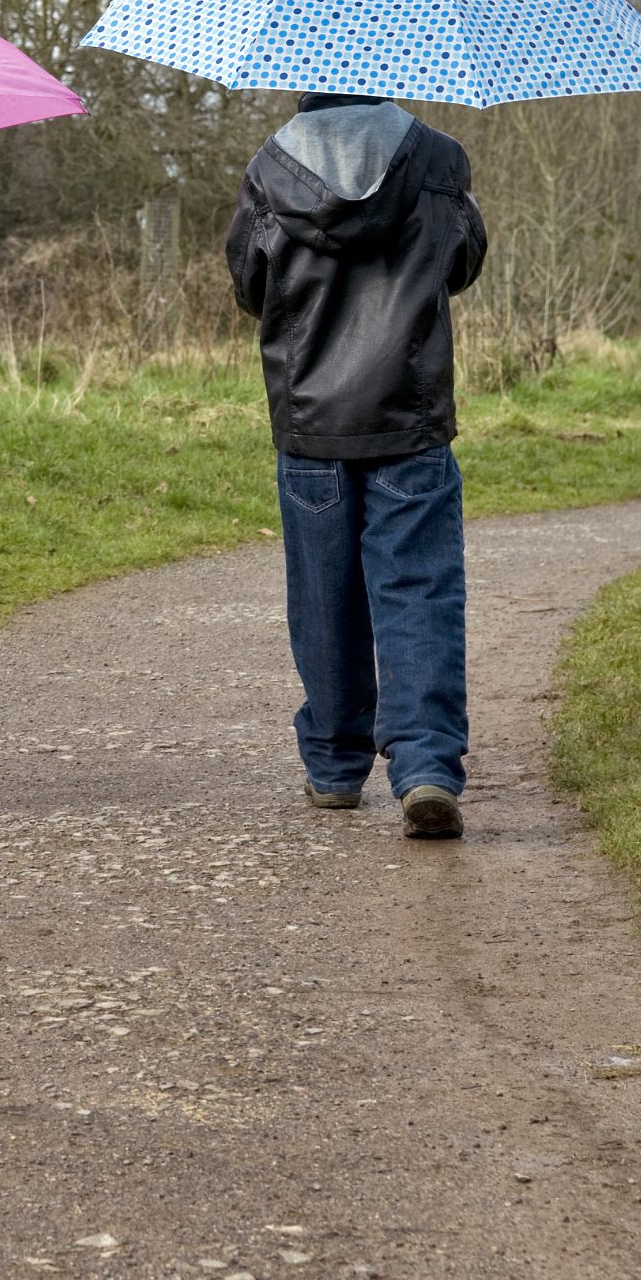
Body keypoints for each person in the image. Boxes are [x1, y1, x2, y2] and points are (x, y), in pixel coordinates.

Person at [226, 91, 487, 838]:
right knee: (420, 591)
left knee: (324, 595)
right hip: (408, 414)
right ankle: (426, 765)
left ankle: (335, 769)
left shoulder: (269, 165)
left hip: (311, 422)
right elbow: (460, 263)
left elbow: (251, 286)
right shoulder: (438, 157)